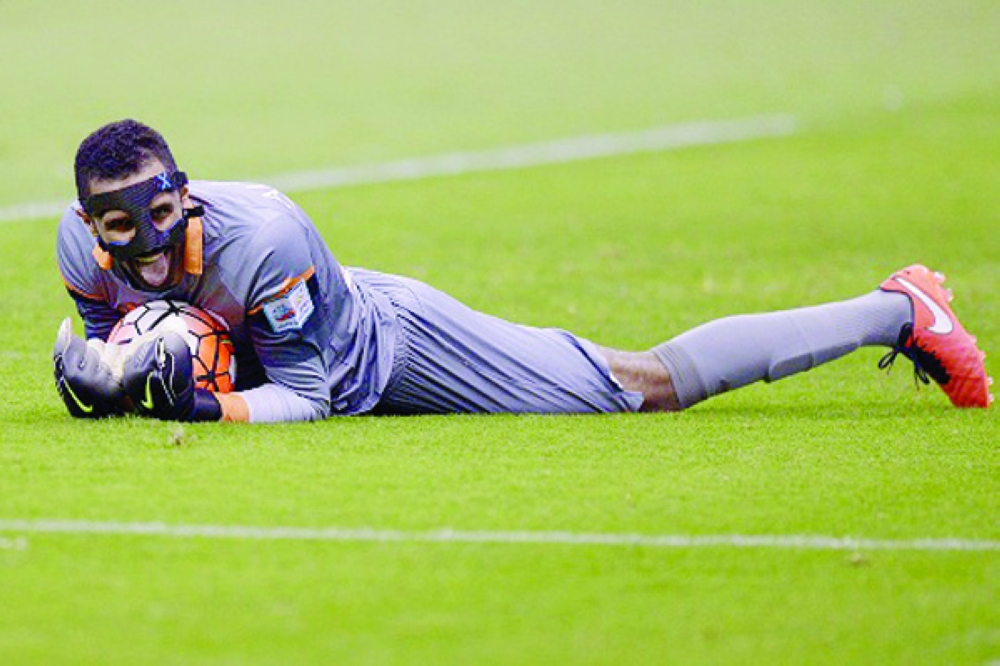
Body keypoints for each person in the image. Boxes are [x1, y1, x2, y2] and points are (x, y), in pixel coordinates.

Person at [53, 120, 993, 423]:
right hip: (280, 335)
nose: (144, 242)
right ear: (92, 222)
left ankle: (894, 309)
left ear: (185, 193)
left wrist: (203, 409)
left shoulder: (265, 238)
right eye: (119, 225)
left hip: (387, 348)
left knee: (643, 386)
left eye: (161, 214)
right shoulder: (75, 247)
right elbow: (125, 342)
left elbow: (312, 395)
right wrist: (112, 379)